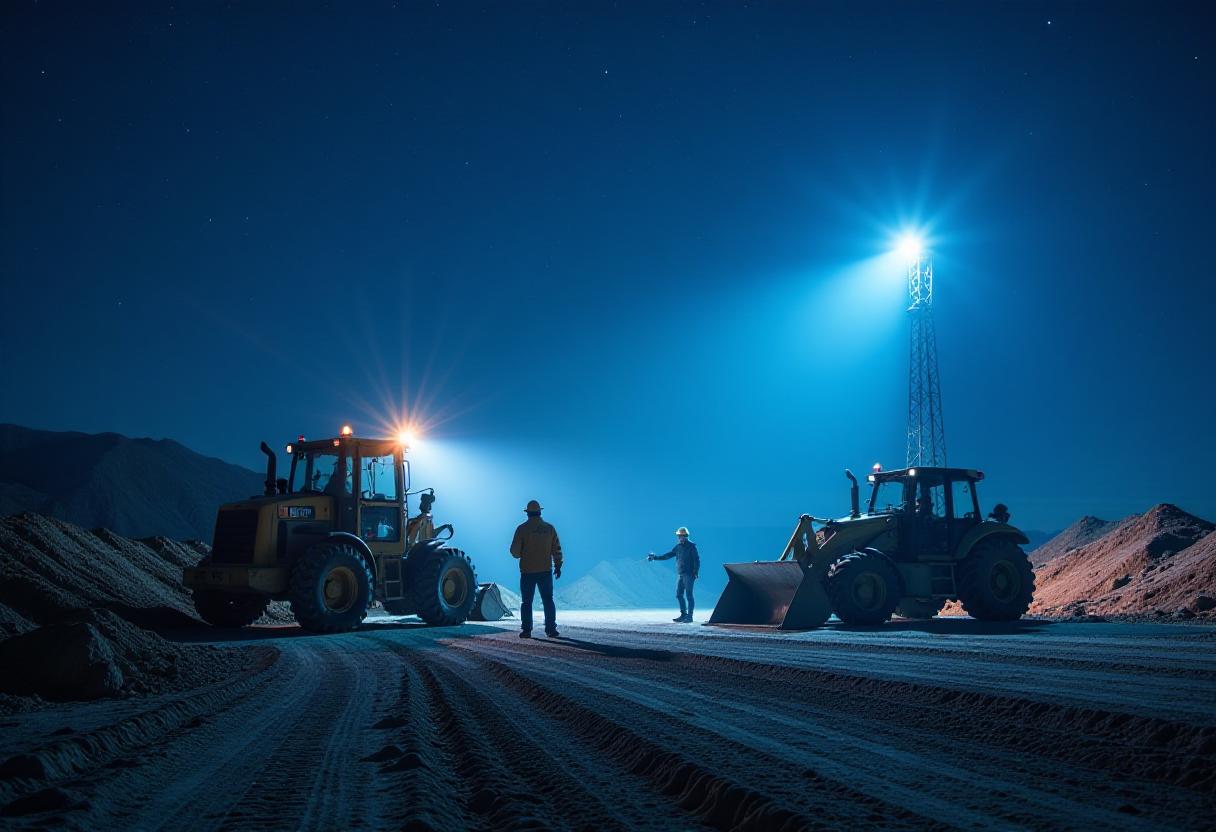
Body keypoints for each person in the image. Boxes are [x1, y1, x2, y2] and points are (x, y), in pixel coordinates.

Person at [510, 499, 563, 638]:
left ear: (527, 513)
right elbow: (556, 549)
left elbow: (514, 552)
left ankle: (527, 630)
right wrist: (557, 566)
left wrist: (525, 552)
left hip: (527, 572)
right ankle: (551, 629)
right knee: (548, 600)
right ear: (540, 512)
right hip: (545, 571)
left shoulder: (522, 529)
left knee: (527, 602)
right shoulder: (549, 528)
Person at [648, 527, 700, 622]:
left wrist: (695, 572)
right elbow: (667, 556)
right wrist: (654, 557)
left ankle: (690, 616)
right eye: (679, 536)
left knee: (689, 595)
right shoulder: (678, 547)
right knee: (679, 595)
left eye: (681, 536)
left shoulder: (692, 547)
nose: (680, 538)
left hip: (689, 574)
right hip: (681, 574)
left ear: (686, 536)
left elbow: (696, 560)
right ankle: (683, 615)